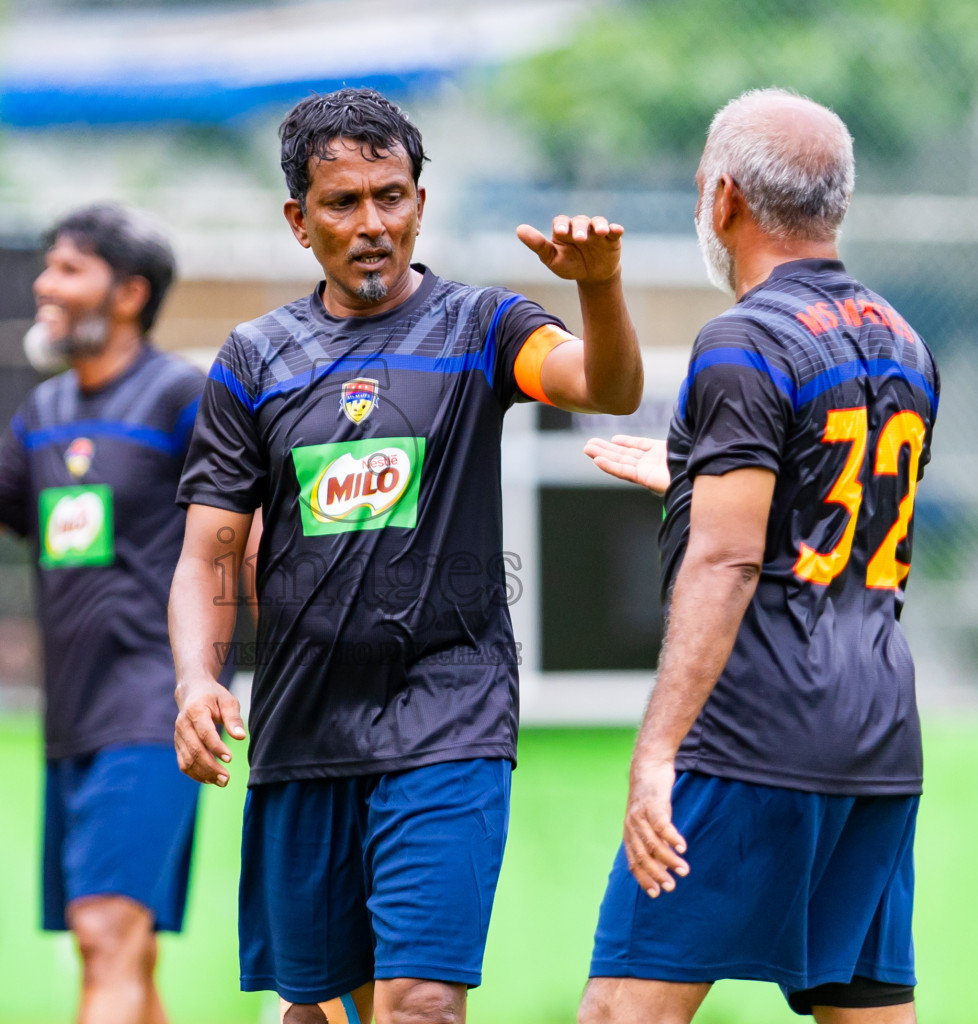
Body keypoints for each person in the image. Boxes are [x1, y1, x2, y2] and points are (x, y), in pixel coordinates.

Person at [169, 87, 645, 1024]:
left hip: (450, 710)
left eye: (392, 196)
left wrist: (598, 284)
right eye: (344, 204)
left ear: (421, 203)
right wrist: (195, 677)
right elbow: (206, 554)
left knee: (420, 1000)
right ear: (299, 222)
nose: (373, 223)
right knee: (320, 1012)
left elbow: (607, 385)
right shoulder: (255, 360)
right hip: (305, 725)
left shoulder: (483, 328)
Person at [578, 89, 940, 1024]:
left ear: (724, 198)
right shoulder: (902, 339)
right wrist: (697, 481)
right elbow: (836, 519)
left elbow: (729, 564)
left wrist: (657, 751)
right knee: (865, 1008)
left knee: (622, 1006)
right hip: (878, 735)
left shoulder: (741, 341)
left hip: (755, 732)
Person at [0, 203, 218, 1024]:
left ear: (131, 292)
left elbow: (242, 538)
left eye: (69, 269)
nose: (45, 283)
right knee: (120, 951)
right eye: (47, 266)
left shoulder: (181, 397)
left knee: (106, 931)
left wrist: (217, 674)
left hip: (154, 710)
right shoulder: (44, 413)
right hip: (70, 718)